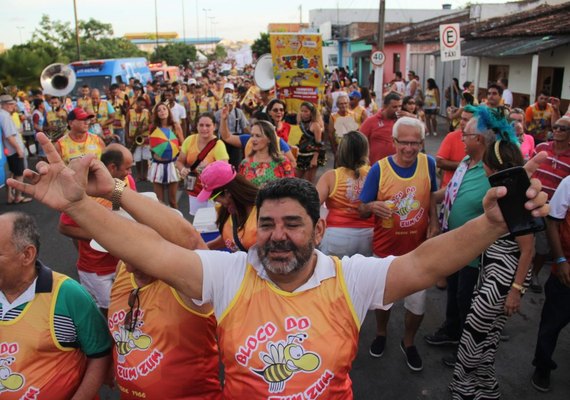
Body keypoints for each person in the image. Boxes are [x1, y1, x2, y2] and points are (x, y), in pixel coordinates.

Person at [8, 131, 549, 398]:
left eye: (293, 224)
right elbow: (151, 249)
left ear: (319, 230)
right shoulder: (230, 274)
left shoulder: (349, 278)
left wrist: (492, 225)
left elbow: (425, 264)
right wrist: (81, 204)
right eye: (267, 225)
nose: (278, 237)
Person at [449, 111, 534, 399]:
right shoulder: (505, 190)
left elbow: (528, 248)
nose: (483, 169)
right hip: (494, 269)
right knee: (488, 336)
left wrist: (516, 290)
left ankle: (465, 389)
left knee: (475, 333)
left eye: (486, 165)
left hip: (506, 274)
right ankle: (486, 388)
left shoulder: (513, 194)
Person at [106, 205, 222, 399]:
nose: (130, 267)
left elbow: (193, 244)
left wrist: (116, 190)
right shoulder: (123, 269)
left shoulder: (187, 283)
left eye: (140, 255)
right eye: (124, 253)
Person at [0, 212, 112, 398]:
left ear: (27, 255)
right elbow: (66, 225)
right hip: (91, 267)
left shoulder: (68, 295)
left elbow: (100, 352)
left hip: (102, 271)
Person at [359, 117, 439, 371]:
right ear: (394, 142)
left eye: (415, 142)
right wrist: (372, 206)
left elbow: (432, 197)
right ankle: (381, 333)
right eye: (403, 142)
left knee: (417, 304)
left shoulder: (429, 164)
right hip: (385, 250)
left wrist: (435, 222)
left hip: (420, 251)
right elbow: (361, 208)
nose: (409, 148)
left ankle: (408, 341)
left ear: (422, 142)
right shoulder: (379, 169)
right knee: (383, 300)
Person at [424, 109, 496, 368]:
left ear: (479, 139)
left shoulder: (491, 170)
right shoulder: (467, 161)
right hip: (453, 244)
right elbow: (452, 190)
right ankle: (451, 332)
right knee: (454, 292)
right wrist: (434, 198)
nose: (460, 137)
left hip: (475, 252)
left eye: (465, 134)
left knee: (468, 300)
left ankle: (467, 352)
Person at [58, 144, 135, 315]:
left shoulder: (125, 182)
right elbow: (64, 227)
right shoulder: (85, 190)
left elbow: (126, 212)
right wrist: (102, 235)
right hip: (95, 269)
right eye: (127, 168)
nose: (130, 173)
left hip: (122, 263)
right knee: (108, 310)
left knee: (126, 306)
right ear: (112, 167)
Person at [531, 175, 570, 393]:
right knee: (552, 324)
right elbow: (553, 222)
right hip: (566, 271)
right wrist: (561, 260)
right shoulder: (569, 183)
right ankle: (543, 366)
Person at [528, 116, 570, 292]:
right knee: (522, 241)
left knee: (543, 247)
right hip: (530, 203)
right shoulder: (541, 148)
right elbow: (528, 171)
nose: (558, 130)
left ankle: (533, 275)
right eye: (556, 127)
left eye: (563, 128)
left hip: (551, 211)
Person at [316, 131, 374, 257]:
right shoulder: (374, 173)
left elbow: (312, 205)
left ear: (342, 151)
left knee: (336, 275)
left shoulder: (331, 176)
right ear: (366, 151)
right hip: (369, 235)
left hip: (337, 235)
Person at [200, 161, 259, 252]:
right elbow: (232, 238)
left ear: (227, 193)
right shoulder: (227, 210)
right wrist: (203, 248)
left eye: (213, 197)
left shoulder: (262, 213)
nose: (215, 202)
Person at [177, 112, 229, 215]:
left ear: (214, 126)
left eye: (208, 125)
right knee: (198, 223)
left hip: (214, 192)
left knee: (213, 224)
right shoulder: (189, 140)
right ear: (196, 126)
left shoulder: (218, 145)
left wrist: (209, 168)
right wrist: (183, 170)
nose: (204, 128)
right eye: (201, 125)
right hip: (194, 189)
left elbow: (225, 170)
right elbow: (179, 161)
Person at [148, 103, 184, 209]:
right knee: (159, 202)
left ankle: (178, 223)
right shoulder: (154, 128)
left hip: (172, 164)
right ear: (156, 113)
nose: (162, 111)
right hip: (157, 165)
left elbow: (183, 144)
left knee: (172, 201)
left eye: (164, 109)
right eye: (159, 110)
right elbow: (152, 145)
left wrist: (175, 148)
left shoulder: (175, 126)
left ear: (168, 111)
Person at [238, 119, 293, 186]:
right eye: (252, 135)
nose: (253, 139)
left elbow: (291, 188)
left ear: (269, 138)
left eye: (258, 136)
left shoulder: (283, 162)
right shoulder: (245, 163)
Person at [436, 107, 474, 188]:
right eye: (461, 118)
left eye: (466, 120)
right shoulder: (452, 136)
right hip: (449, 189)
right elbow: (439, 162)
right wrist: (465, 166)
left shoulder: (482, 140)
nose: (461, 122)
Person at [359, 92, 401, 165]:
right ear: (384, 106)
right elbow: (359, 141)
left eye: (399, 106)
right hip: (375, 166)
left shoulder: (400, 121)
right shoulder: (371, 121)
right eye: (394, 107)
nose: (398, 110)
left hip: (396, 166)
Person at [0, 95, 27, 204]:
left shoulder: (3, 115)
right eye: (11, 104)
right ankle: (18, 196)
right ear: (5, 105)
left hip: (9, 150)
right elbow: (9, 136)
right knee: (19, 174)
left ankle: (10, 196)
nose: (13, 106)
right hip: (13, 150)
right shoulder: (5, 116)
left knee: (12, 173)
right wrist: (19, 150)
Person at [214, 83, 249, 168]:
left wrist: (248, 141)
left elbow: (245, 128)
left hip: (235, 141)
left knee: (236, 164)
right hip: (222, 141)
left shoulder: (239, 112)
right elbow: (215, 129)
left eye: (231, 104)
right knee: (223, 163)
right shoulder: (218, 113)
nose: (229, 107)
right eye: (227, 104)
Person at [296, 101, 326, 183]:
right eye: (302, 111)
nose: (303, 113)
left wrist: (315, 159)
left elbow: (318, 143)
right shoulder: (300, 122)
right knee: (296, 178)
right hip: (301, 154)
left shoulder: (315, 125)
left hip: (312, 156)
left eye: (306, 111)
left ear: (311, 112)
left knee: (308, 181)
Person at [126, 96, 151, 181]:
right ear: (136, 104)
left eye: (144, 105)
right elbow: (126, 125)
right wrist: (127, 137)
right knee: (137, 158)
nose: (143, 107)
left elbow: (151, 124)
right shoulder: (130, 112)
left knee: (145, 158)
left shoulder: (147, 112)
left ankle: (145, 175)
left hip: (145, 138)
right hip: (134, 138)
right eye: (141, 105)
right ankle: (139, 175)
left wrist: (144, 129)